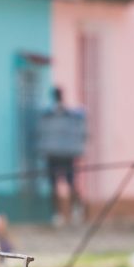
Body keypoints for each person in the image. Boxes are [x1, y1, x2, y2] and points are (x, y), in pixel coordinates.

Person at [33, 87, 88, 226]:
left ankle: (67, 213)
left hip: (59, 153)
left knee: (63, 184)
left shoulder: (54, 114)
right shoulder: (57, 114)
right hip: (61, 153)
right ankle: (65, 213)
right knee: (63, 184)